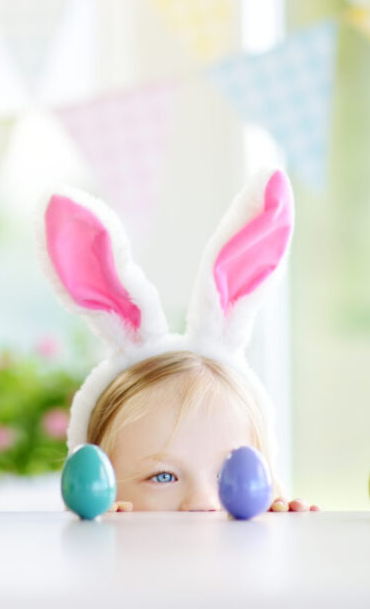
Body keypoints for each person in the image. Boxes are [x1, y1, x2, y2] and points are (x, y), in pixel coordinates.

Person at [40, 169, 315, 513]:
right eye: (164, 476)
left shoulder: (260, 551)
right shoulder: (104, 557)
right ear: (99, 490)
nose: (203, 503)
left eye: (231, 473)